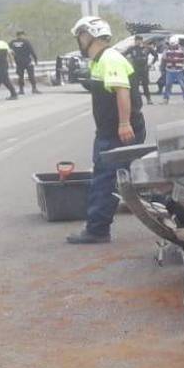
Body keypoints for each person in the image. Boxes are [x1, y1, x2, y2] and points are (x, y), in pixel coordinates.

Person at [67, 16, 145, 245]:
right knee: (125, 177)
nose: (79, 41)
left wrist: (123, 123)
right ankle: (180, 212)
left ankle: (97, 230)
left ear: (88, 35)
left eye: (80, 36)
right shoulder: (100, 60)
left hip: (117, 132)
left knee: (105, 178)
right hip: (109, 131)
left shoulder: (110, 59)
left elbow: (122, 90)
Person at [126, 35, 156, 105]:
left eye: (139, 40)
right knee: (134, 85)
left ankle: (149, 99)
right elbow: (124, 54)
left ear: (141, 40)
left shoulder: (147, 48)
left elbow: (155, 55)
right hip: (135, 69)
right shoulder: (132, 48)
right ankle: (135, 100)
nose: (137, 42)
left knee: (145, 85)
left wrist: (151, 63)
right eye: (136, 40)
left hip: (144, 69)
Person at [160, 36, 184, 104]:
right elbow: (163, 57)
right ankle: (166, 99)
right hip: (169, 70)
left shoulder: (183, 48)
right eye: (171, 45)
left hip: (179, 70)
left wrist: (178, 59)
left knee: (183, 85)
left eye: (174, 45)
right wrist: (169, 59)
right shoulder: (167, 49)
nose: (172, 46)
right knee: (168, 85)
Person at [9, 30, 40, 95]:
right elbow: (32, 51)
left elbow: (9, 52)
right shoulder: (26, 42)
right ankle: (34, 88)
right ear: (22, 35)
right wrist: (36, 59)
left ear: (16, 35)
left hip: (18, 62)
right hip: (27, 61)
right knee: (31, 75)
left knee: (20, 76)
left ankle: (21, 90)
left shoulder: (12, 42)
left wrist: (11, 61)